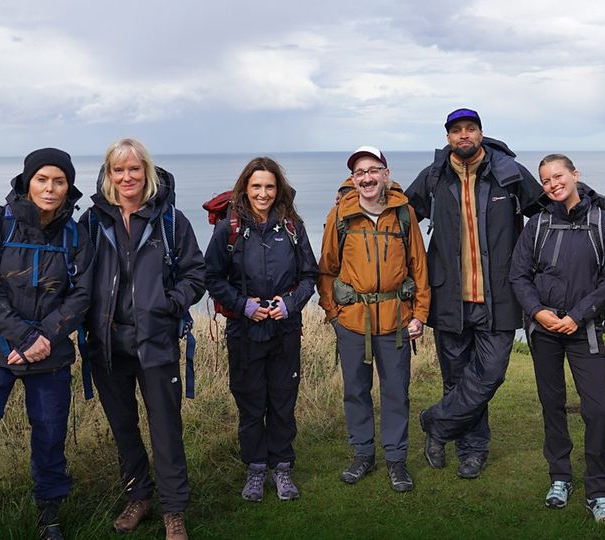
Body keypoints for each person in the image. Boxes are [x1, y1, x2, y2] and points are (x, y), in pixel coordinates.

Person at [0, 148, 92, 540]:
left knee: (50, 439)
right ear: (27, 181)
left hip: (50, 353)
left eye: (59, 181)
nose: (50, 187)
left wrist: (44, 337)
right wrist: (24, 337)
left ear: (68, 187)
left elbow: (81, 295)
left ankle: (49, 516)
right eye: (42, 179)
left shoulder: (76, 233)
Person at [406, 108, 543, 478]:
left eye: (470, 129)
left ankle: (435, 423)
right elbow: (401, 216)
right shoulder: (433, 176)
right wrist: (351, 204)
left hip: (498, 296)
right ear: (448, 137)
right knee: (458, 380)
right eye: (456, 131)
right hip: (448, 297)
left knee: (490, 375)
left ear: (481, 133)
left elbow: (546, 208)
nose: (464, 135)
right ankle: (472, 451)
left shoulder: (508, 172)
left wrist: (591, 201)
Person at [81, 138, 205, 540]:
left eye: (135, 169)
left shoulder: (170, 221)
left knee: (166, 429)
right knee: (124, 428)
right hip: (106, 346)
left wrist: (168, 304)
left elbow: (195, 274)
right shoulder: (92, 222)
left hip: (157, 343)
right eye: (119, 170)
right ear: (108, 175)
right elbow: (77, 276)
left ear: (146, 172)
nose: (127, 176)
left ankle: (174, 511)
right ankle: (139, 496)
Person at [509, 154, 605, 522]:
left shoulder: (602, 221)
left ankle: (598, 490)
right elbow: (519, 276)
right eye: (545, 180)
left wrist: (577, 316)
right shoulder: (537, 223)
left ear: (575, 175)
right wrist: (538, 312)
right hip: (544, 330)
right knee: (552, 405)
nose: (553, 184)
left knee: (599, 411)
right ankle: (559, 477)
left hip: (584, 329)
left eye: (558, 176)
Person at [204, 157, 318, 502]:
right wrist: (244, 307)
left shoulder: (293, 226)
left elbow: (309, 275)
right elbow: (211, 277)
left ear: (278, 188)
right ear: (245, 188)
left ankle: (282, 468)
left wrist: (289, 304)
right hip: (245, 333)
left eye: (269, 186)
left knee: (283, 402)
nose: (263, 193)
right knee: (251, 404)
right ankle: (255, 470)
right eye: (256, 186)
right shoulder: (230, 228)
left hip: (285, 331)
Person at [318, 146, 430, 492]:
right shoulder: (340, 216)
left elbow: (419, 268)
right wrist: (334, 315)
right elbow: (326, 270)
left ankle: (396, 460)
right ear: (353, 179)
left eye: (373, 170)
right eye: (359, 172)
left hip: (396, 322)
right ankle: (362, 455)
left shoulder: (404, 214)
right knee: (356, 391)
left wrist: (420, 314)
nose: (366, 177)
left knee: (397, 392)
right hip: (352, 323)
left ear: (386, 173)